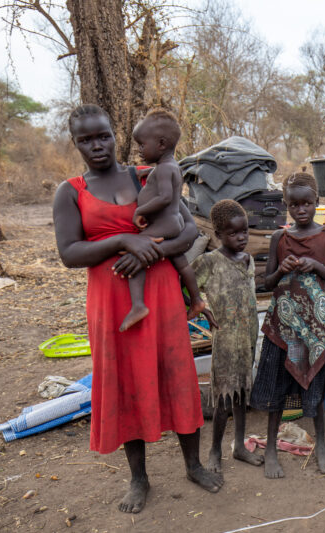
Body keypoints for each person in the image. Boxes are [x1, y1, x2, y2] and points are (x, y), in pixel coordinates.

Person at [53, 104, 222, 514]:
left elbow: (187, 230)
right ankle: (139, 478)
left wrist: (148, 253)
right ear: (75, 144)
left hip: (160, 295)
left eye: (103, 136)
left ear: (115, 134)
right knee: (127, 382)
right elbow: (70, 253)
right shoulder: (70, 191)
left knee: (176, 374)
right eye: (86, 140)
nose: (97, 146)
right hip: (113, 303)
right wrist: (123, 242)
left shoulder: (146, 175)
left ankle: (193, 465)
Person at [250, 172, 325, 478]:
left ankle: (321, 446)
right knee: (277, 386)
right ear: (286, 205)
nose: (300, 210)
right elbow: (266, 282)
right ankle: (273, 451)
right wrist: (282, 270)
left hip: (315, 329)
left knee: (315, 386)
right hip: (285, 327)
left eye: (306, 203)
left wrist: (317, 266)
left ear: (317, 202)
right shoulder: (279, 238)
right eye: (294, 205)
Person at [191, 199, 264, 472]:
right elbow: (184, 285)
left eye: (244, 231)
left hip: (247, 339)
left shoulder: (248, 260)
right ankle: (214, 451)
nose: (242, 237)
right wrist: (202, 308)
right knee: (223, 399)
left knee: (242, 395)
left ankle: (240, 447)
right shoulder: (209, 262)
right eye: (233, 233)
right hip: (226, 340)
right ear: (218, 235)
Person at [120, 109, 205, 331]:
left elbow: (166, 196)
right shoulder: (168, 166)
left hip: (163, 224)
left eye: (141, 145)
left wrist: (141, 211)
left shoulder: (164, 169)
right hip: (173, 223)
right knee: (181, 263)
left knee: (136, 252)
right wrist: (147, 172)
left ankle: (138, 305)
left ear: (161, 144)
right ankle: (196, 299)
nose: (139, 149)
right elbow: (164, 176)